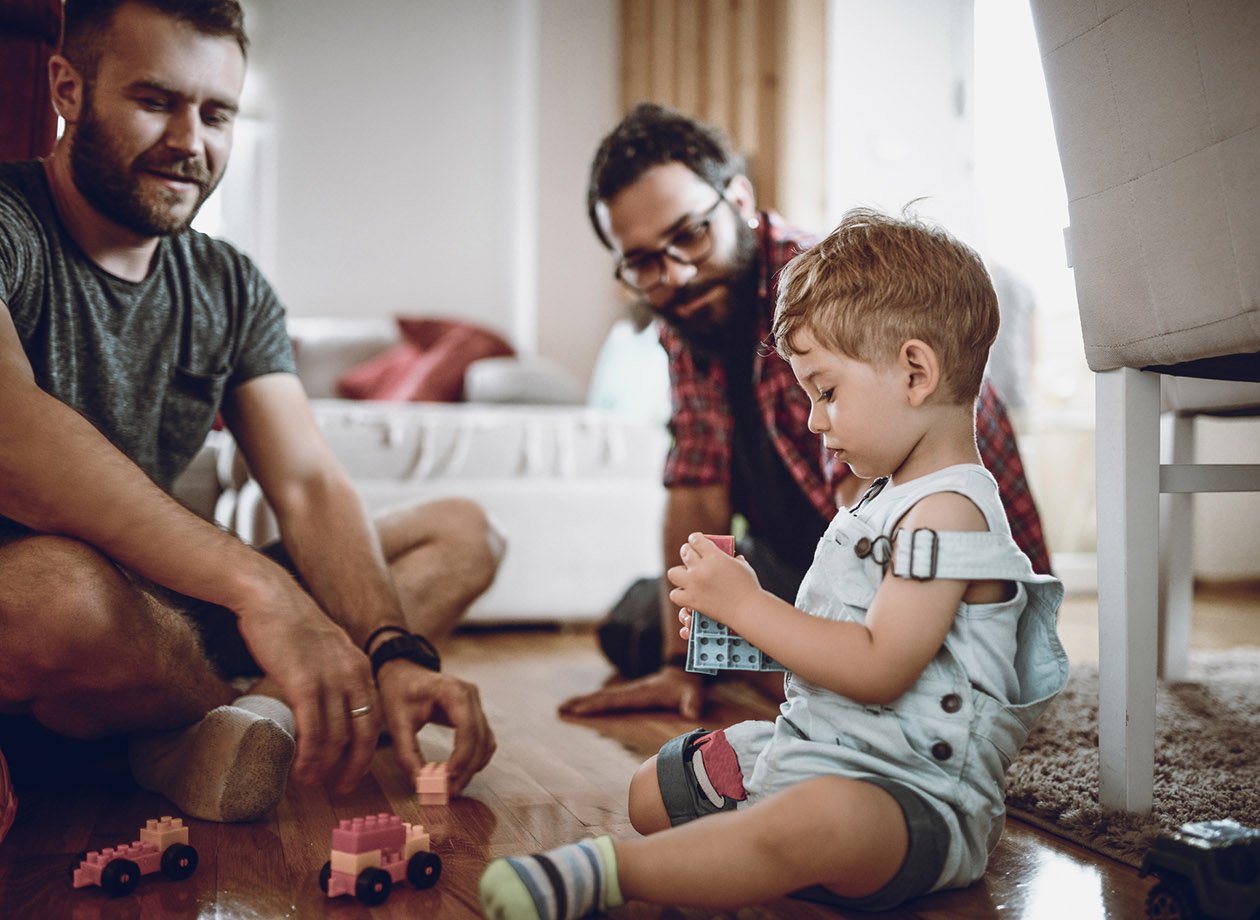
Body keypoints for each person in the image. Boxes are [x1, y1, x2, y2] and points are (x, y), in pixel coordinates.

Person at [481, 207, 1068, 917]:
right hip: (826, 746)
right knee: (654, 788)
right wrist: (738, 629)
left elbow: (881, 666)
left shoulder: (949, 511)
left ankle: (612, 876)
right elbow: (833, 660)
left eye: (825, 391)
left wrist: (750, 607)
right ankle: (749, 847)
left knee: (819, 820)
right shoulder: (881, 498)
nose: (816, 420)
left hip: (912, 800)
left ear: (915, 371)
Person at [0, 0, 502, 829]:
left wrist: (392, 649)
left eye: (218, 113)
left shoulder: (229, 283)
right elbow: (13, 434)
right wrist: (265, 593)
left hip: (165, 609)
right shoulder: (10, 225)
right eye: (156, 100)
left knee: (461, 533)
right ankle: (244, 713)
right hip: (48, 610)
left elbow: (305, 483)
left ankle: (230, 724)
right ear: (67, 87)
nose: (190, 142)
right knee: (64, 594)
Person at [560, 102, 1051, 721]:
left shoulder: (821, 302)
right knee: (644, 621)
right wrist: (681, 659)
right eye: (644, 262)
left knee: (767, 634)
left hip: (899, 551)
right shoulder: (687, 317)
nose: (676, 274)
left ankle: (790, 664)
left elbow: (870, 502)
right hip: (812, 544)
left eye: (688, 234)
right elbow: (697, 484)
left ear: (738, 200)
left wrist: (782, 640)